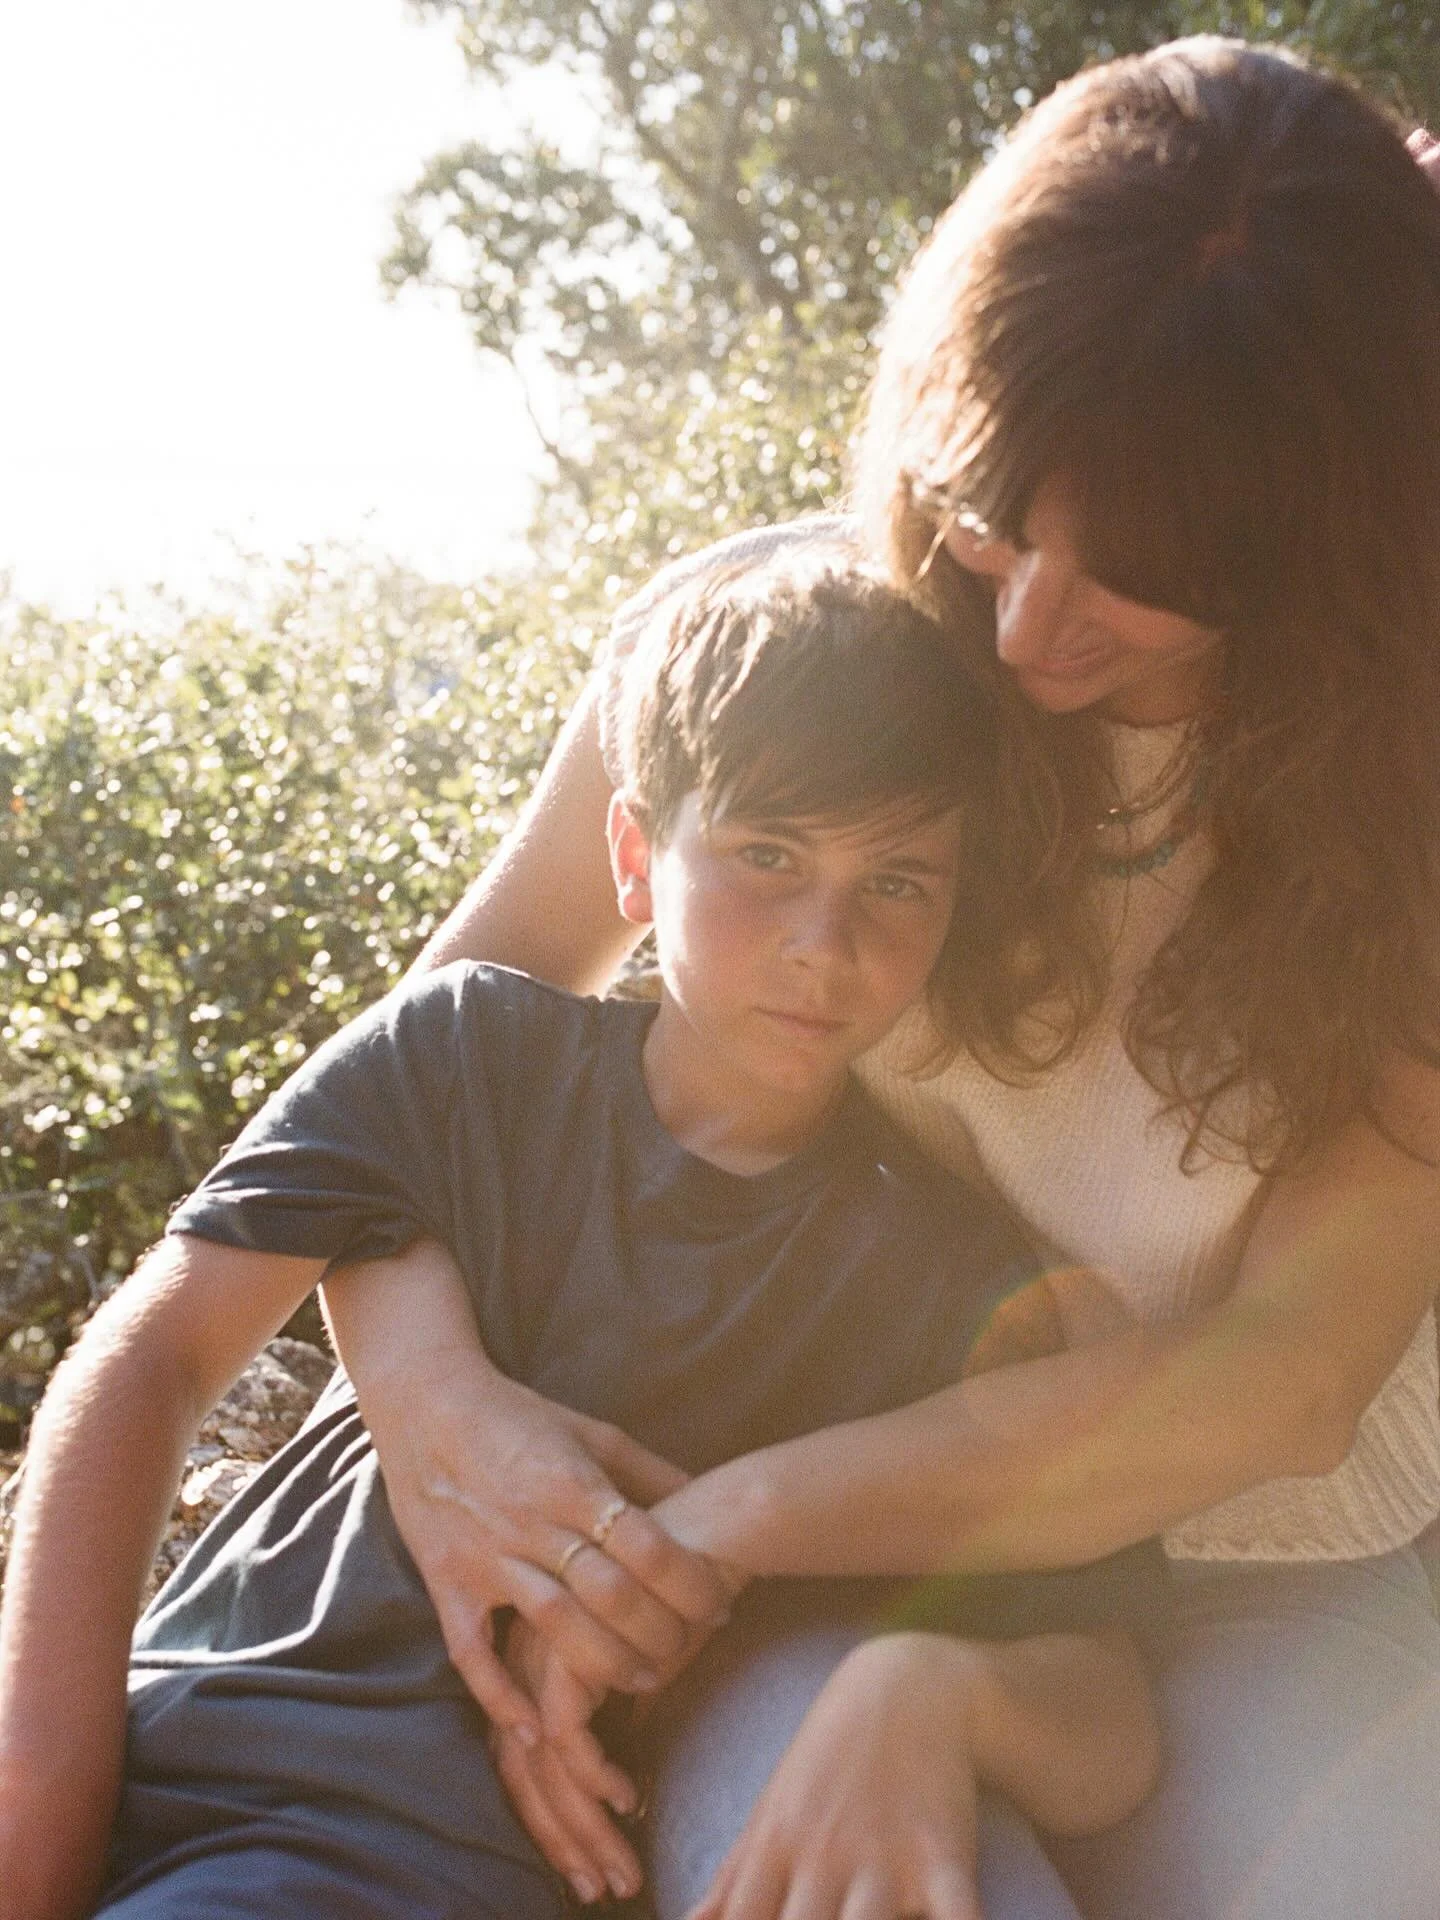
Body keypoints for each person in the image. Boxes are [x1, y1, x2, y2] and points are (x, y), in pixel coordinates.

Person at [302, 35, 1440, 1920]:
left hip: (1260, 1577)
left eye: (1144, 571)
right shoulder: (762, 651)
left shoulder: (1409, 817)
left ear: (1335, 546)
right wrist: (439, 1413)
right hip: (838, 1561)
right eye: (998, 504)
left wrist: (722, 1525)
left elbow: (1284, 1382)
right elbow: (434, 1052)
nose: (1025, 622)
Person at [0, 553, 1169, 1920]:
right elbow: (147, 1367)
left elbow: (1112, 1715)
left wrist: (947, 1689)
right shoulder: (466, 1055)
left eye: (898, 883)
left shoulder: (944, 1273)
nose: (822, 941)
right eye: (768, 856)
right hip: (221, 1804)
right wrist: (34, 1833)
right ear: (633, 855)